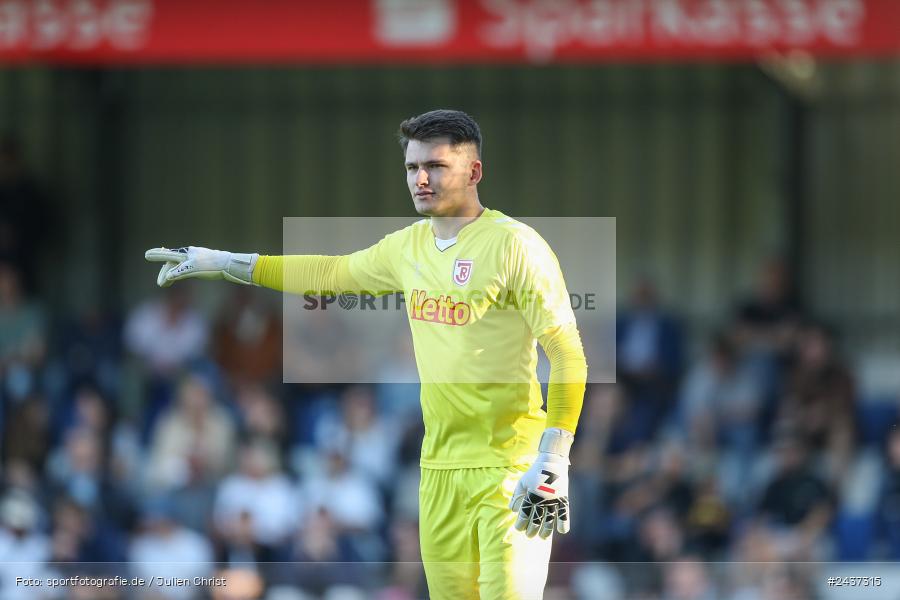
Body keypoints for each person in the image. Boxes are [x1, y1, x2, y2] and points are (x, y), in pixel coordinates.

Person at [144, 109, 587, 599]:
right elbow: (329, 274)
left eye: (436, 166)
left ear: (474, 172)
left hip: (512, 467)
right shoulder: (407, 248)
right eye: (411, 167)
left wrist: (553, 458)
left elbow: (568, 354)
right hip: (438, 470)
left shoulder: (516, 247)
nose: (420, 178)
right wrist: (227, 263)